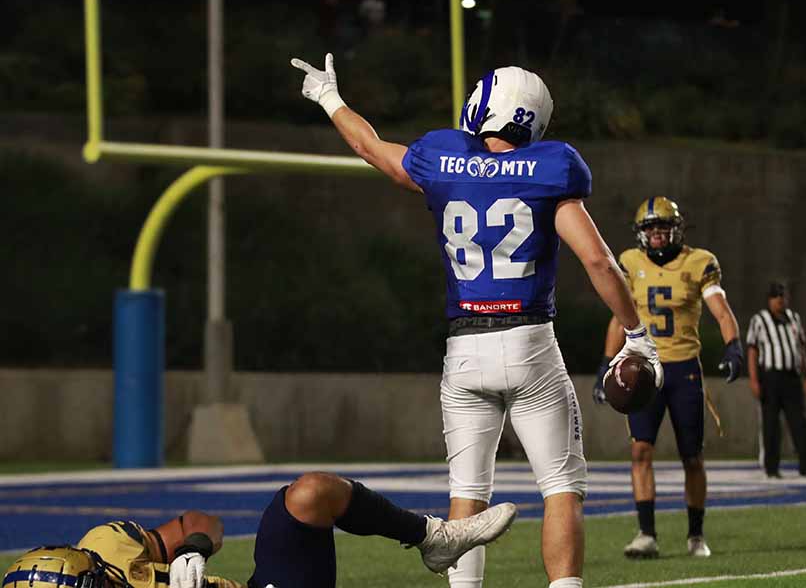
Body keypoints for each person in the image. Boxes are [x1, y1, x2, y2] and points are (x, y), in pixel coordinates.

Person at [289, 54, 662, 588]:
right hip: (530, 341)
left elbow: (370, 147)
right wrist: (636, 332)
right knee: (560, 487)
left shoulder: (443, 160)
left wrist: (330, 99)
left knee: (467, 496)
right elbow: (599, 260)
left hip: (463, 350)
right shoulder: (550, 168)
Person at [1, 472, 517, 588]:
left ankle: (433, 538)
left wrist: (194, 549)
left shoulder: (107, 544)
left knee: (311, 492)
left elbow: (202, 522)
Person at [592, 197, 743, 559]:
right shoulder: (629, 262)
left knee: (692, 457)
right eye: (650, 229)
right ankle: (646, 533)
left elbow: (721, 310)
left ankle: (695, 535)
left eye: (663, 228)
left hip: (683, 369)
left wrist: (733, 345)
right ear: (641, 233)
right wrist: (606, 363)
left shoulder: (699, 262)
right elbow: (618, 317)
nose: (657, 235)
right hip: (643, 368)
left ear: (676, 229)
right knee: (640, 450)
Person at [746, 281, 806, 479]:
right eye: (775, 296)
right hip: (770, 377)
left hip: (791, 376)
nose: (780, 299)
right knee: (771, 423)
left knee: (799, 421)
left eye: (782, 296)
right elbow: (752, 351)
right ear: (769, 299)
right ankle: (772, 468)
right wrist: (753, 380)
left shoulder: (794, 318)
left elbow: (801, 349)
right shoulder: (759, 320)